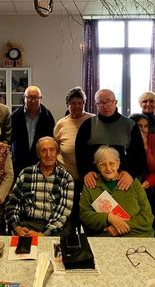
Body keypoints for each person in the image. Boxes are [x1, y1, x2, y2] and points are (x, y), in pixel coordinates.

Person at [75, 89, 146, 189]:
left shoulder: (130, 126)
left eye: (108, 101)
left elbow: (139, 156)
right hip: (95, 183)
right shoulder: (87, 125)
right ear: (96, 104)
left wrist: (131, 174)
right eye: (101, 102)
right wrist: (86, 172)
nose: (105, 105)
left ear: (115, 102)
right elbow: (80, 154)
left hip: (122, 183)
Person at [5, 137, 74, 236]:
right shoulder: (25, 174)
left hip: (55, 228)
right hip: (27, 225)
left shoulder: (66, 178)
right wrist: (17, 227)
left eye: (52, 150)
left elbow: (63, 213)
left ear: (57, 153)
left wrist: (44, 234)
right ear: (38, 154)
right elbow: (13, 205)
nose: (48, 155)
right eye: (43, 151)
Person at [79, 146, 153, 237]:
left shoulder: (133, 183)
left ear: (118, 163)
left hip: (137, 235)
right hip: (106, 238)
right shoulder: (91, 185)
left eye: (112, 163)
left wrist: (118, 227)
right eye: (103, 164)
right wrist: (108, 218)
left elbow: (147, 217)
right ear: (97, 166)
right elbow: (85, 216)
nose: (108, 168)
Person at [53, 86, 94, 226]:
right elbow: (55, 149)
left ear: (84, 103)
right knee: (71, 213)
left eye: (80, 103)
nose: (77, 106)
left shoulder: (93, 121)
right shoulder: (61, 124)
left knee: (90, 212)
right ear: (68, 105)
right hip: (68, 177)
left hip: (91, 177)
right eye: (73, 103)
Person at [11, 85, 55, 176]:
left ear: (41, 98)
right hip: (19, 164)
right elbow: (10, 139)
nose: (33, 100)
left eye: (36, 97)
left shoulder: (47, 116)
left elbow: (51, 140)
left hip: (40, 164)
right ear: (24, 98)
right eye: (30, 97)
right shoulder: (15, 116)